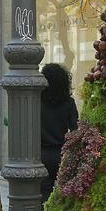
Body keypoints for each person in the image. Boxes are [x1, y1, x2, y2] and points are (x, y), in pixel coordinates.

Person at [39, 63, 79, 201]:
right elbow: (75, 130)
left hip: (40, 154)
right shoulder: (69, 103)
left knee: (43, 194)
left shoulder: (36, 101)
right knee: (60, 196)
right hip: (61, 154)